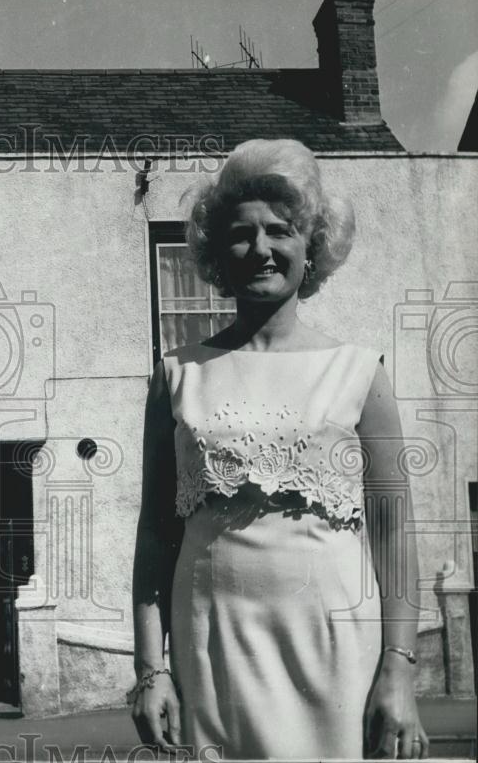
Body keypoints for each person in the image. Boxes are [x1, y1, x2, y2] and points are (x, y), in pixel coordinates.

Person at [129, 139, 427, 760]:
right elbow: (155, 534)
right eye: (241, 234)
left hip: (335, 647)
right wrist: (150, 670)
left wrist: (399, 668)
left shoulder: (360, 372)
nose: (261, 249)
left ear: (310, 245)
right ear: (217, 251)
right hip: (212, 646)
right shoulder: (177, 375)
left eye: (280, 231)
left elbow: (395, 533)